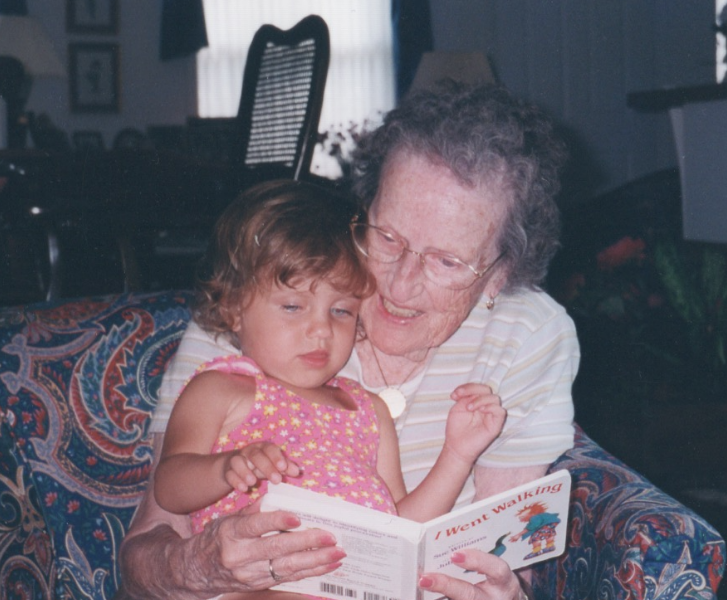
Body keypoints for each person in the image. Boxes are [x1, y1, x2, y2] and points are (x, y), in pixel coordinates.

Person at [117, 81, 579, 600]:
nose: (401, 285)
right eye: (387, 237)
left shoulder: (530, 336)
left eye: (447, 261)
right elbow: (143, 557)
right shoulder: (261, 304)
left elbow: (502, 553)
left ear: (499, 274)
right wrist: (204, 566)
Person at [154, 180, 506, 551]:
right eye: (292, 307)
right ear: (232, 308)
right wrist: (226, 468)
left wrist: (458, 455)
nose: (321, 330)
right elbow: (169, 486)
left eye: (341, 311)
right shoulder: (221, 389)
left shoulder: (369, 411)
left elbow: (401, 530)